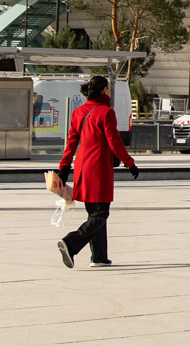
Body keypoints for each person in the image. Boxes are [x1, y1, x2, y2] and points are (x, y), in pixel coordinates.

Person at [56, 75, 139, 269]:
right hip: (98, 169)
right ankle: (71, 243)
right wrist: (130, 163)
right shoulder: (106, 113)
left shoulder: (78, 113)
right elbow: (115, 142)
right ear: (103, 90)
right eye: (108, 88)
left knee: (94, 213)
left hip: (82, 169)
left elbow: (71, 144)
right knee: (101, 213)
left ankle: (99, 256)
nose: (109, 91)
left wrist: (64, 168)